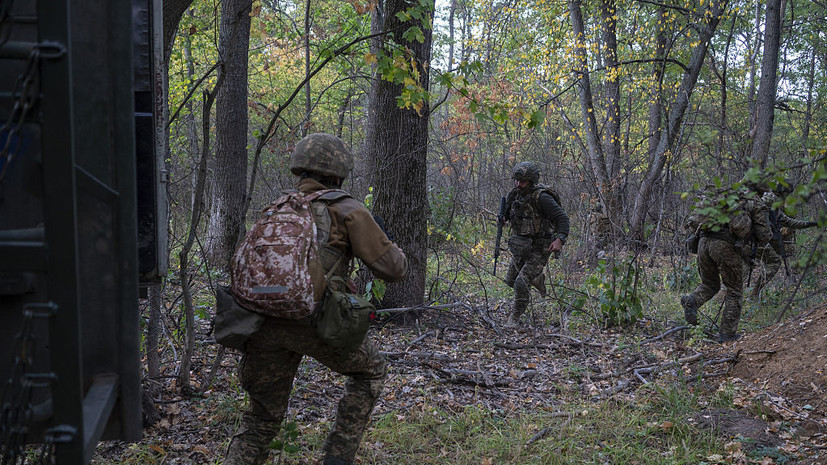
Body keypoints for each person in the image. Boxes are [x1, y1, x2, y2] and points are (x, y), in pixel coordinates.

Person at [224, 133, 408, 465]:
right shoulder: (348, 208)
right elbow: (393, 269)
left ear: (300, 171)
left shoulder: (277, 208)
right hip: (314, 321)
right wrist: (385, 238)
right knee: (371, 371)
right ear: (339, 173)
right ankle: (337, 458)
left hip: (262, 322)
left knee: (261, 419)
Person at [681, 184, 771, 343]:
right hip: (723, 245)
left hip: (702, 242)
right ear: (761, 191)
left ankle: (692, 300)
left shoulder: (726, 193)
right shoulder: (754, 201)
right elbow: (764, 234)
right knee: (735, 289)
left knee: (709, 284)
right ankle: (727, 334)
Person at [499, 161, 570, 327]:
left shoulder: (543, 198)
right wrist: (503, 218)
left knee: (521, 282)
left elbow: (563, 219)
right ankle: (537, 278)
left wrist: (560, 239)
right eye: (516, 181)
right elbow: (509, 214)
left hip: (541, 246)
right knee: (510, 280)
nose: (518, 184)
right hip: (522, 245)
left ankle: (514, 318)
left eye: (522, 181)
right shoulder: (514, 194)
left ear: (531, 181)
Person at [747, 189, 818, 296]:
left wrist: (812, 223)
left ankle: (752, 294)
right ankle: (750, 294)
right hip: (752, 242)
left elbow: (792, 223)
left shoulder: (775, 212)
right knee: (772, 262)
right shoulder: (758, 210)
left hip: (755, 242)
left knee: (771, 262)